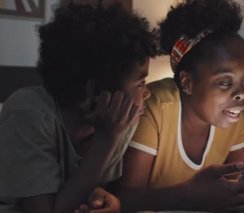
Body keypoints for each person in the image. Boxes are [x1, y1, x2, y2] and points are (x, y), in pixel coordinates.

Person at [111, 0, 244, 212]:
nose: (242, 94)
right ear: (187, 82)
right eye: (225, 83)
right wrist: (190, 196)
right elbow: (126, 197)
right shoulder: (156, 107)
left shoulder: (233, 118)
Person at [0, 1, 157, 213]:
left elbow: (91, 191)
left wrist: (107, 202)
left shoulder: (118, 122)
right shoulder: (28, 113)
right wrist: (106, 139)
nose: (146, 93)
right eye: (140, 83)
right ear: (93, 92)